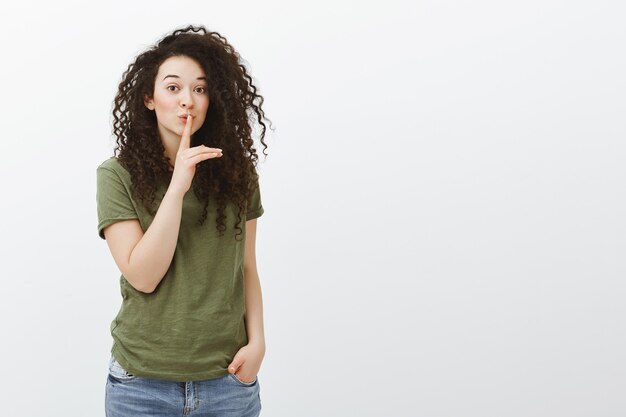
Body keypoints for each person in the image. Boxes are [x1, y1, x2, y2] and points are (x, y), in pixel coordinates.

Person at [96, 24, 272, 417]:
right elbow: (143, 275)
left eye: (200, 88)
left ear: (213, 99)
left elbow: (246, 267)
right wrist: (176, 189)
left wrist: (257, 342)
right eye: (173, 88)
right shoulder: (116, 175)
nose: (186, 101)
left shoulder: (238, 173)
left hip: (227, 381)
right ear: (148, 98)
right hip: (139, 385)